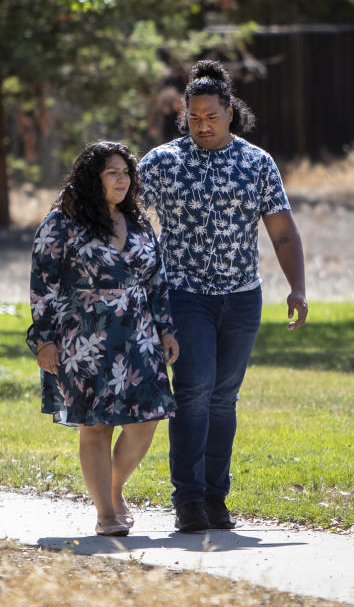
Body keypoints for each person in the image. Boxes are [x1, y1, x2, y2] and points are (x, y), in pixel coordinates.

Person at [138, 60, 308, 534]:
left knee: (223, 399)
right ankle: (188, 501)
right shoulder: (161, 163)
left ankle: (216, 497)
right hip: (184, 295)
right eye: (194, 118)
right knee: (192, 394)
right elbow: (124, 216)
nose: (203, 125)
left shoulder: (256, 163)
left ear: (230, 112)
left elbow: (282, 232)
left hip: (241, 298)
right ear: (184, 115)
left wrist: (298, 288)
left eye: (211, 116)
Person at [28, 141, 181, 537]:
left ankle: (113, 490)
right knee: (95, 427)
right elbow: (42, 283)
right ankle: (105, 514)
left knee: (145, 421)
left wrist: (166, 328)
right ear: (92, 178)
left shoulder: (140, 221)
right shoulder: (62, 222)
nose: (122, 180)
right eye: (112, 172)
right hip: (84, 338)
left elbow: (157, 279)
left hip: (139, 337)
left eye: (127, 172)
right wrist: (44, 340)